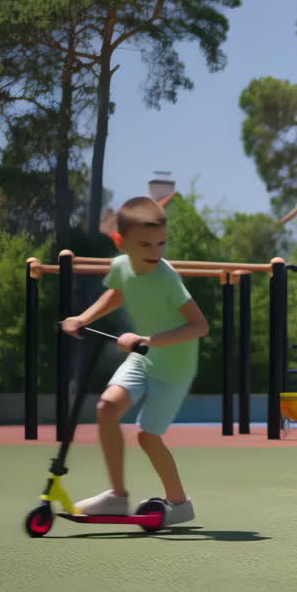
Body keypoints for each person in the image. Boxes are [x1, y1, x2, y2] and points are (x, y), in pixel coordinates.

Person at [60, 197, 209, 524]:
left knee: (147, 436)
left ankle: (180, 504)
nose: (155, 251)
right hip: (142, 359)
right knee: (106, 408)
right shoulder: (120, 267)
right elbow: (117, 293)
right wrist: (83, 318)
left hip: (174, 368)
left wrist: (148, 341)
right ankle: (117, 496)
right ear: (121, 242)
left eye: (161, 243)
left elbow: (200, 326)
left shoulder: (167, 278)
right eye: (145, 244)